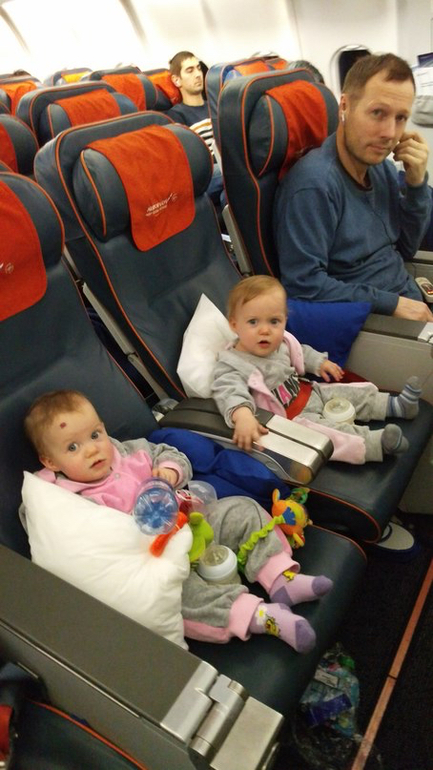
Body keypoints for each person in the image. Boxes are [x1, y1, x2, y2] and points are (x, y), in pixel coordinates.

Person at [21, 389, 334, 653]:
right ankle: (262, 616)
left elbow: (169, 453)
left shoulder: (129, 452)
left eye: (95, 435)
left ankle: (281, 578)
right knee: (180, 599)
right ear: (50, 461)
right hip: (155, 556)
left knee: (242, 509)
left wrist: (170, 471)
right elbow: (53, 529)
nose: (92, 449)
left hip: (191, 521)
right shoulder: (66, 497)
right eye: (73, 447)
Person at [273, 53, 433, 323]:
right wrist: (393, 304)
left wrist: (416, 185)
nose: (390, 133)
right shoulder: (314, 186)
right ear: (345, 106)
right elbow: (303, 284)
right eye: (378, 113)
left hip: (408, 301)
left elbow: (406, 248)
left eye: (400, 118)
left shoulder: (381, 169)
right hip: (373, 323)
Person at [211, 276, 422, 461]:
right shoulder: (233, 364)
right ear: (234, 325)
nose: (265, 330)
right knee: (331, 436)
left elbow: (299, 351)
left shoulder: (279, 342)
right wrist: (243, 416)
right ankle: (377, 444)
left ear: (284, 320)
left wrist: (320, 363)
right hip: (292, 420)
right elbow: (229, 391)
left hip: (309, 391)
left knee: (354, 392)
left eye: (274, 321)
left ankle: (396, 406)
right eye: (253, 322)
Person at [168, 51, 224, 202]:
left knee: (227, 195)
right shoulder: (175, 116)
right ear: (177, 80)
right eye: (190, 70)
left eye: (198, 68)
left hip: (225, 166)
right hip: (206, 175)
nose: (198, 74)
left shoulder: (216, 106)